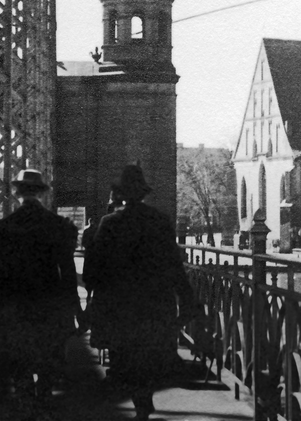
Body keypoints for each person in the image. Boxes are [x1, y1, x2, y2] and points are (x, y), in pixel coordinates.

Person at [83, 165, 198, 420]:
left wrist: (93, 296)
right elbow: (174, 265)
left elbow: (93, 271)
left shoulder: (109, 224)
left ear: (121, 194)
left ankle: (139, 403)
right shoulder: (160, 221)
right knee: (148, 357)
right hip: (154, 305)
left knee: (123, 359)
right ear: (143, 193)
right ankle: (143, 402)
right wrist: (187, 299)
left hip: (119, 307)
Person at [0, 169, 81, 419]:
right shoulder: (57, 225)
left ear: (17, 193)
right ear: (42, 194)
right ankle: (44, 401)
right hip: (50, 306)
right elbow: (68, 273)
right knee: (49, 360)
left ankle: (27, 406)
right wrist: (76, 310)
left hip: (17, 307)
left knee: (20, 361)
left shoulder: (4, 227)